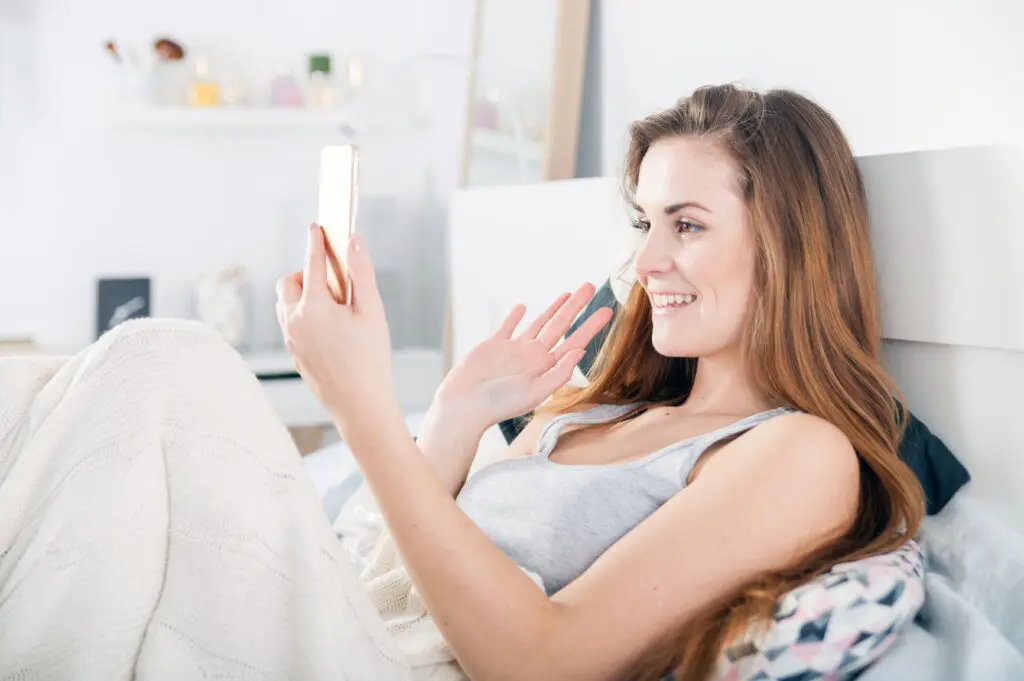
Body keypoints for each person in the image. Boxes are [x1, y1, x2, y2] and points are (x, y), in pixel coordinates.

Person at [0, 83, 924, 681]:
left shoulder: (800, 451)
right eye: (643, 221)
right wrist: (449, 420)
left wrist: (360, 407)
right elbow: (378, 564)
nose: (643, 259)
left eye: (685, 223)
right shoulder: (596, 409)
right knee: (38, 388)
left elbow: (542, 658)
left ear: (793, 243)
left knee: (169, 362)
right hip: (357, 616)